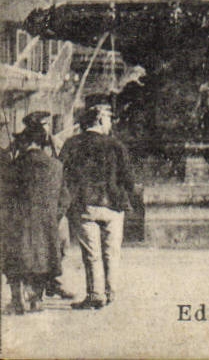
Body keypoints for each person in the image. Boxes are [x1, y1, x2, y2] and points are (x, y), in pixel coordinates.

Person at [59, 103, 138, 309]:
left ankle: (96, 294)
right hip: (113, 206)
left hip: (84, 205)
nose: (110, 123)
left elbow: (60, 174)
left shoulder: (72, 143)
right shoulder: (116, 145)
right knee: (112, 252)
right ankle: (111, 293)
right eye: (109, 119)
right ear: (101, 120)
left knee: (92, 254)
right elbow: (129, 179)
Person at [2, 122, 68, 314]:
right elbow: (65, 198)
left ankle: (17, 300)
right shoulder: (56, 166)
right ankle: (36, 300)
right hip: (46, 223)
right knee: (43, 259)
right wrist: (53, 217)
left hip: (17, 221)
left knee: (14, 260)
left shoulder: (13, 166)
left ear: (26, 142)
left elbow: (4, 195)